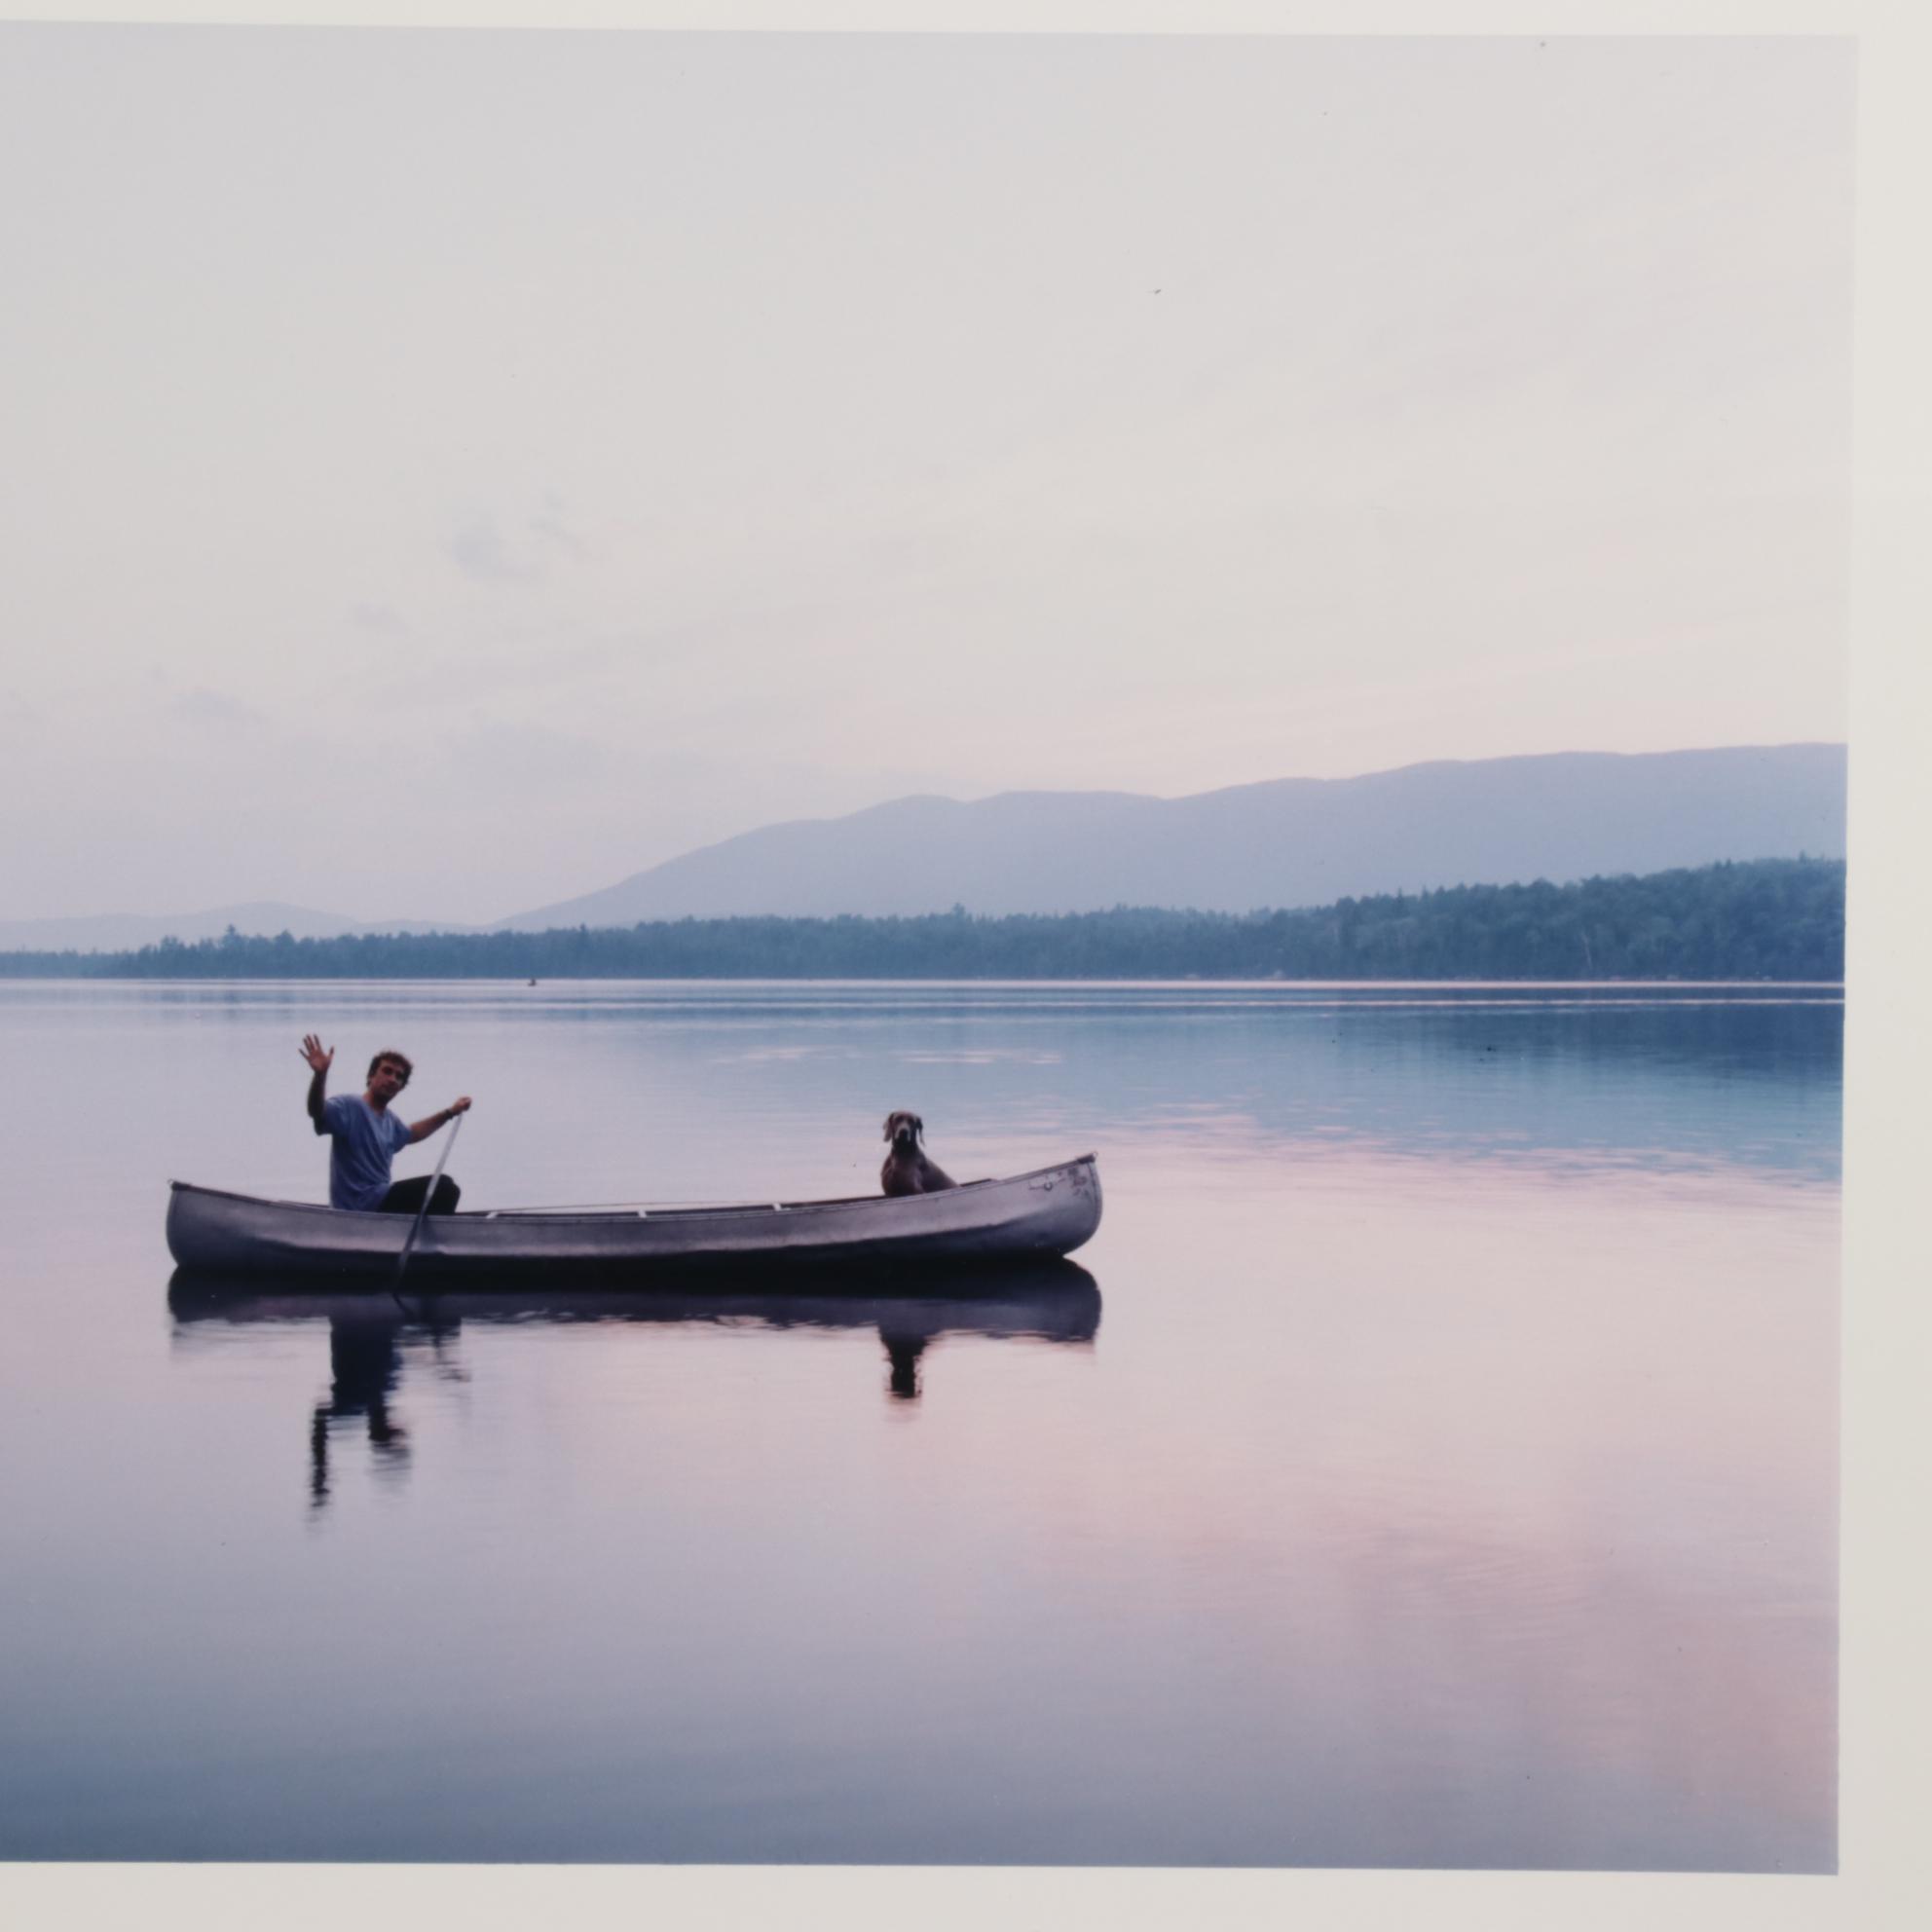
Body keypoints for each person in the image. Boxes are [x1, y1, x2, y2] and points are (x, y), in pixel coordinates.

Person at [300, 1035, 471, 1214]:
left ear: (401, 1087)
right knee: (444, 1186)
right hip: (359, 1205)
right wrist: (320, 1075)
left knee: (450, 1187)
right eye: (387, 1071)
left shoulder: (390, 1120)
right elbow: (316, 1111)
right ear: (371, 1076)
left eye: (399, 1077)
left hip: (381, 1201)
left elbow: (412, 1133)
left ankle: (427, 1235)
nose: (392, 1079)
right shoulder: (349, 1106)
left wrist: (450, 1112)